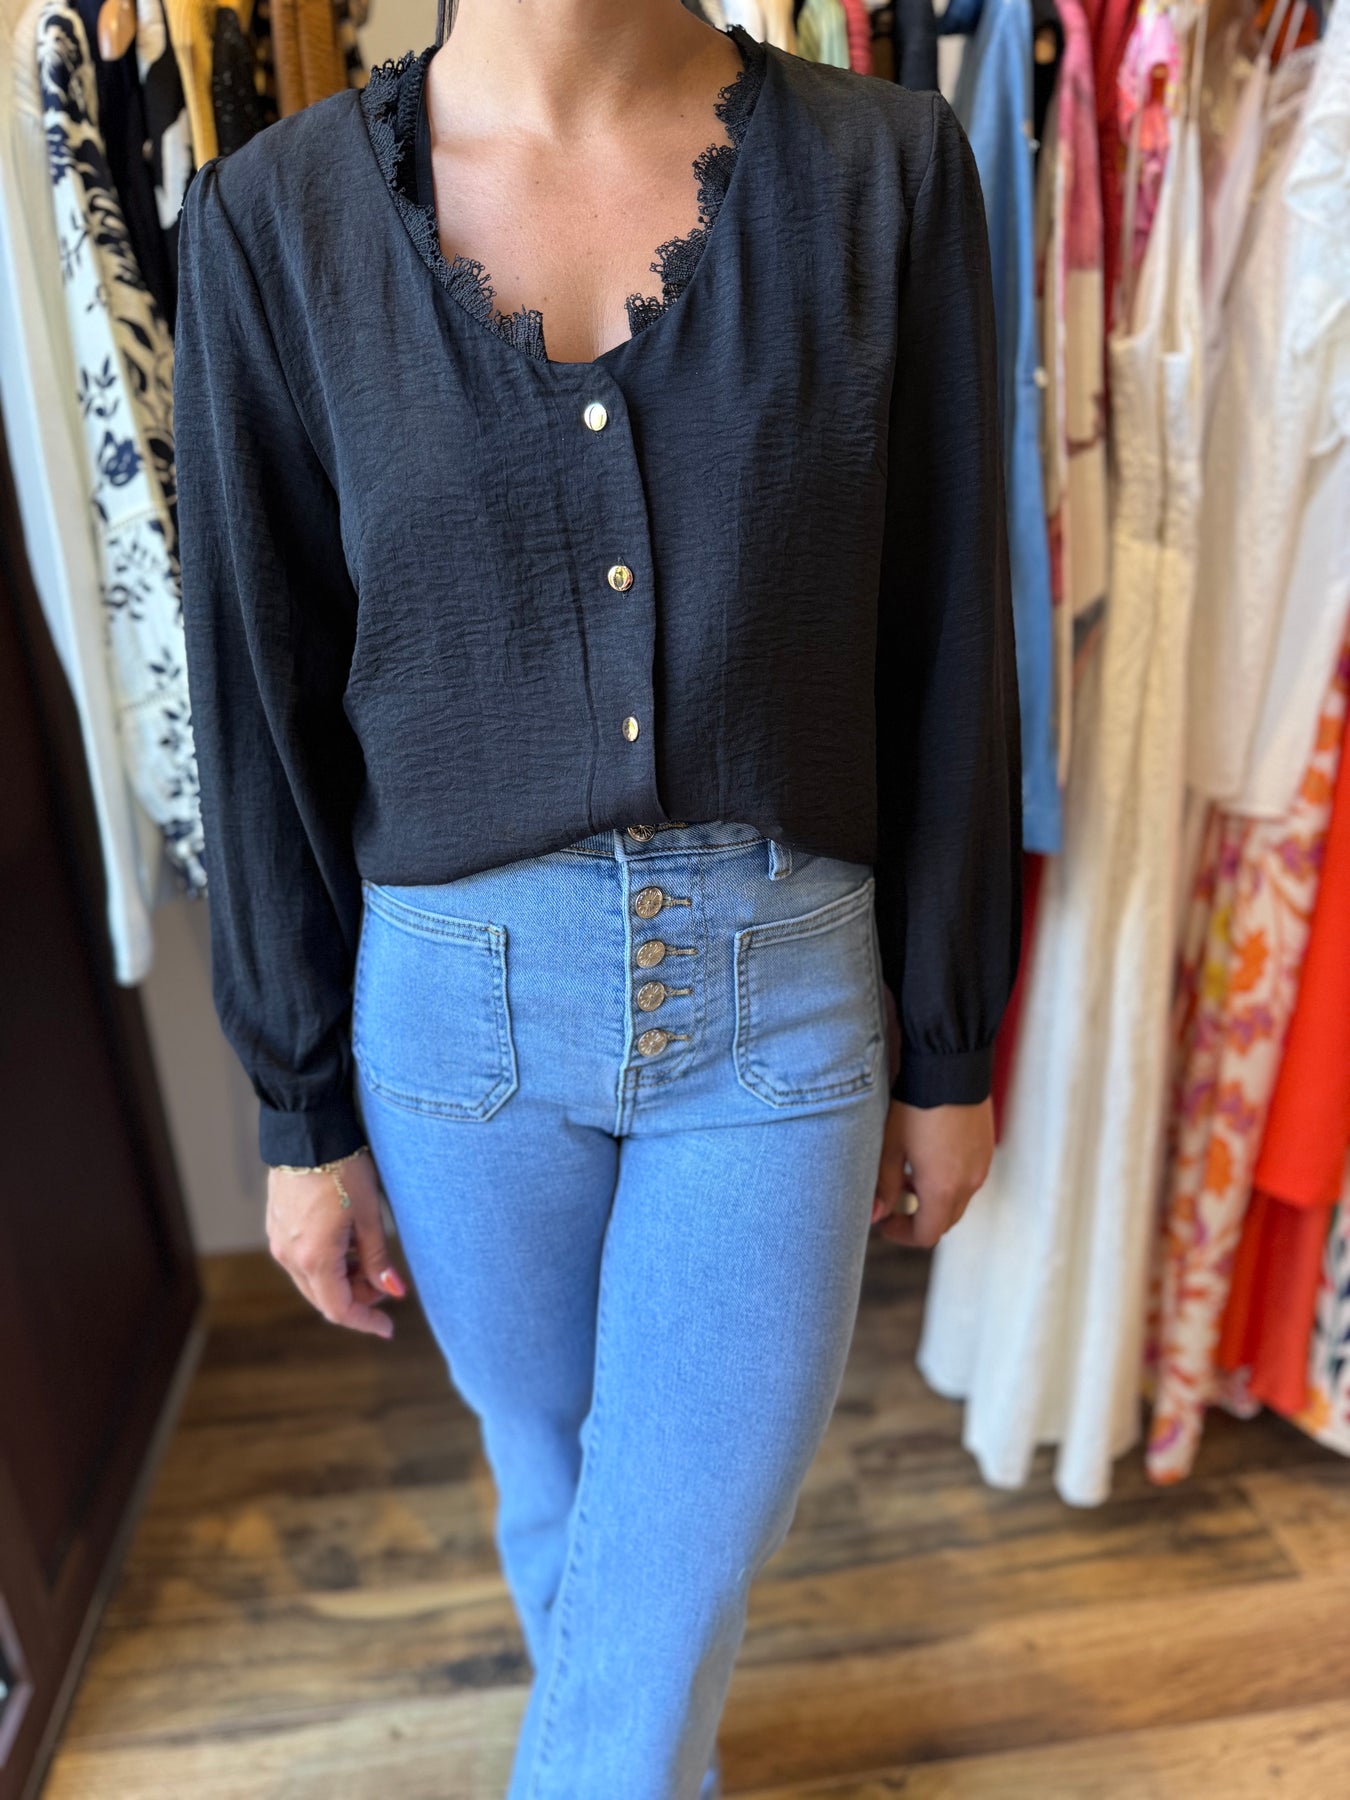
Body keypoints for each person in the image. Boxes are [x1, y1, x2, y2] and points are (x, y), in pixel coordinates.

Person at [171, 1, 1022, 1793]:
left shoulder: (885, 171)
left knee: (677, 1545)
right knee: (559, 1481)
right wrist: (301, 1109)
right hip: (453, 1016)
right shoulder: (271, 222)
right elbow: (259, 695)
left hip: (777, 997)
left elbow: (951, 626)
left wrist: (950, 1042)